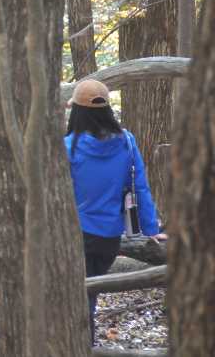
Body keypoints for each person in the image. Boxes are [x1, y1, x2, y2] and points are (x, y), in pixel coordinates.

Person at [64, 79, 167, 345]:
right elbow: (141, 187)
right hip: (109, 237)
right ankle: (82, 343)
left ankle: (79, 346)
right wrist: (151, 230)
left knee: (75, 297)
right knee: (89, 292)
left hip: (74, 234)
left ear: (76, 111)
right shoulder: (127, 142)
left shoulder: (67, 146)